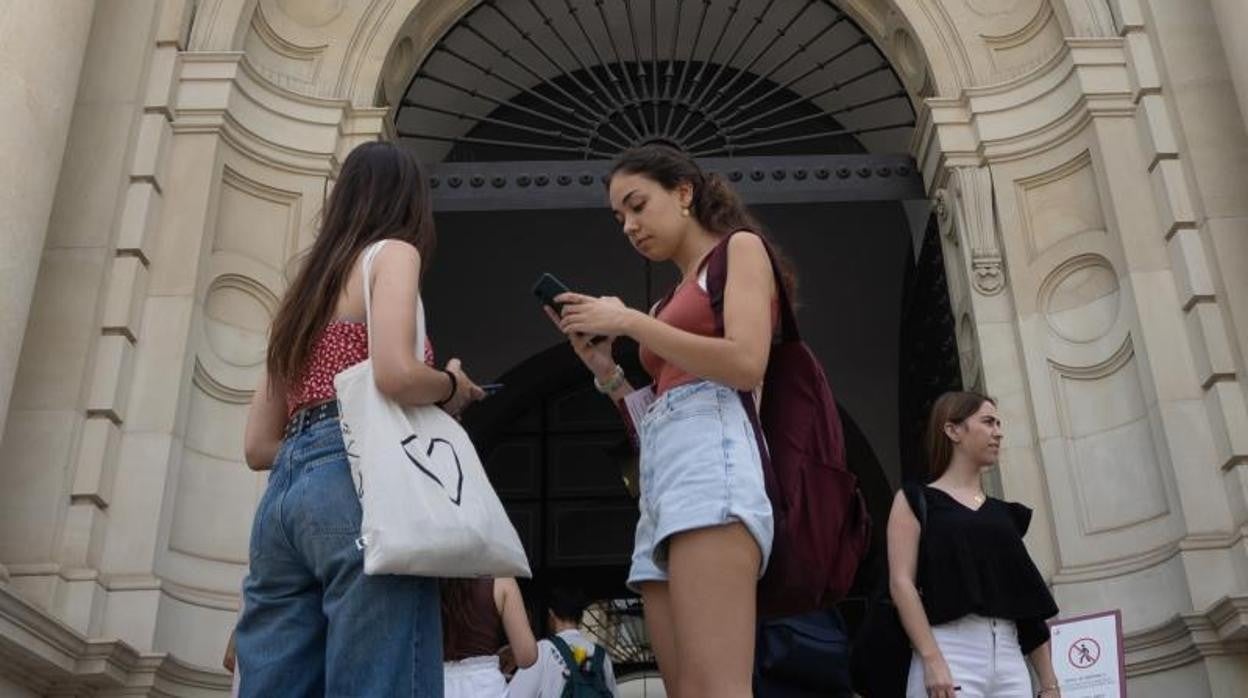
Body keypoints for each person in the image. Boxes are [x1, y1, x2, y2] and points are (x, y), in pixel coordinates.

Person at [235, 141, 485, 696]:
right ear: (409, 200)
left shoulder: (301, 293)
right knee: (379, 679)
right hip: (355, 483)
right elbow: (394, 374)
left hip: (283, 499)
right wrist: (451, 387)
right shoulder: (392, 253)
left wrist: (315, 446)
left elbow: (257, 444)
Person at [547, 144, 785, 697]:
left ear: (684, 193)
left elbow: (747, 363)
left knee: (718, 689)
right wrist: (607, 370)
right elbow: (657, 415)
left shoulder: (739, 251)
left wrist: (630, 322)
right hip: (664, 477)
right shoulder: (665, 305)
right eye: (619, 217)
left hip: (713, 464)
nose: (629, 226)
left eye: (637, 205)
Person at [886, 391, 1061, 698]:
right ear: (953, 430)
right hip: (949, 648)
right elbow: (901, 583)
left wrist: (1049, 683)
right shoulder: (915, 500)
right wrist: (931, 657)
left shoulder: (1003, 514)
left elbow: (1025, 600)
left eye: (999, 423)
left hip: (1009, 655)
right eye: (988, 422)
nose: (999, 432)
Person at [506, 586, 619, 697]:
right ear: (581, 616)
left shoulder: (542, 651)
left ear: (551, 614)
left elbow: (515, 694)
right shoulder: (602, 657)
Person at [442, 577, 539, 697]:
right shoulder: (502, 579)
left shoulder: (422, 579)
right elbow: (527, 656)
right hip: (487, 687)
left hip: (435, 684)